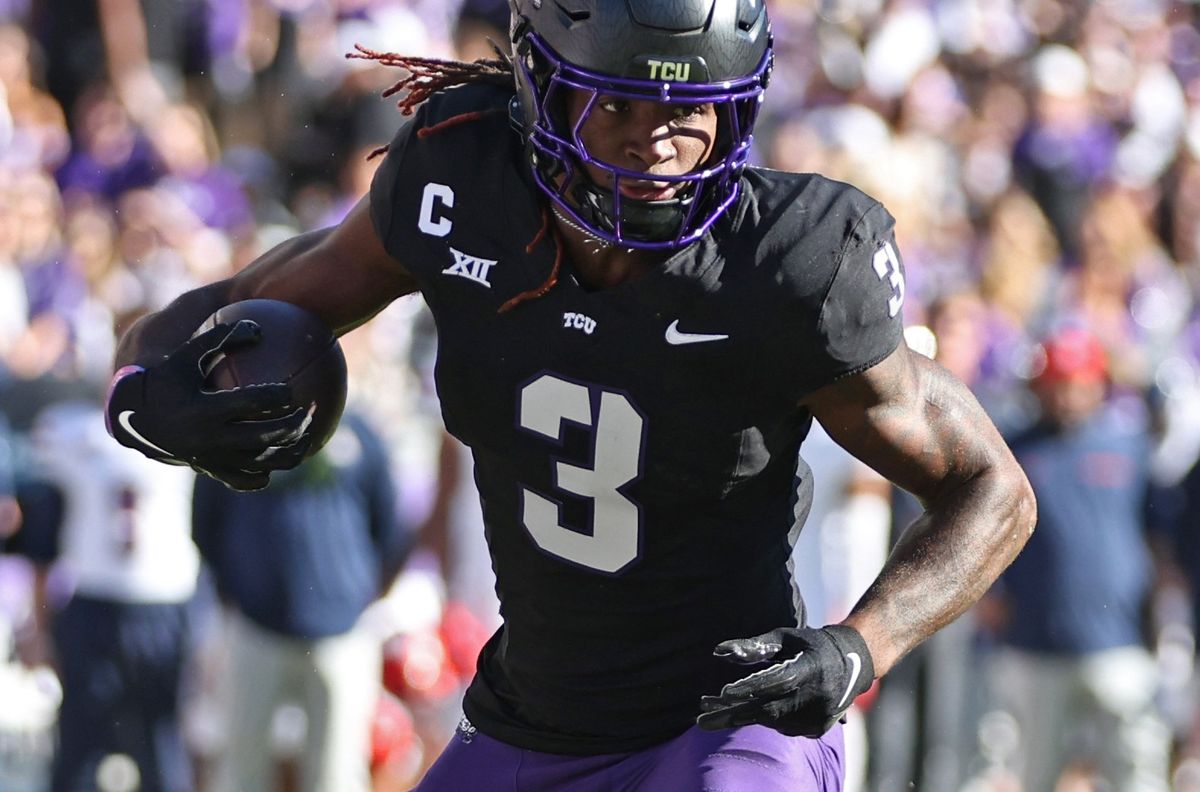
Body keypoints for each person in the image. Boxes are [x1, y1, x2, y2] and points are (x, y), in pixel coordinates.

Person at [103, 1, 1036, 788]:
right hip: (531, 713)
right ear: (541, 88)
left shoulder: (789, 264)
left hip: (728, 723)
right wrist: (142, 392)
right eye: (624, 100)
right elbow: (215, 315)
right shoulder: (459, 181)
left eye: (692, 104)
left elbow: (993, 491)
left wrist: (859, 648)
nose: (660, 136)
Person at [985, 326, 1170, 792]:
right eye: (1056, 384)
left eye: (1077, 382)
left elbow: (1161, 529)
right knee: (1036, 774)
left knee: (1138, 772)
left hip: (1119, 640)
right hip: (1036, 643)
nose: (1066, 395)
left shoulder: (1128, 442)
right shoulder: (1013, 449)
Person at [191, 409, 410, 792]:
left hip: (342, 635)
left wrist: (356, 597)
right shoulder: (238, 432)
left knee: (336, 775)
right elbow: (205, 523)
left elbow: (389, 529)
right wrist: (240, 589)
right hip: (256, 627)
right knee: (241, 770)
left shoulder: (358, 433)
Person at [25, 397, 199, 792]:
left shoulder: (190, 424)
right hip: (94, 602)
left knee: (162, 749)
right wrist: (39, 624)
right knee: (79, 751)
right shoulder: (73, 430)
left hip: (164, 601)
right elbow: (42, 538)